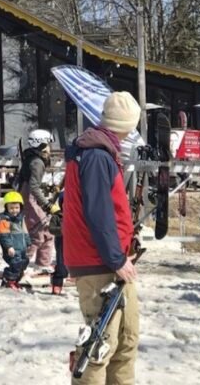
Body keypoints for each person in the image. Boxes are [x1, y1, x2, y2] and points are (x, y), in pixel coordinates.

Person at [64, 91, 141, 384]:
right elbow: (98, 213)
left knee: (126, 339)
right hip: (100, 262)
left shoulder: (103, 151)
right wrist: (115, 257)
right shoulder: (96, 155)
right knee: (98, 347)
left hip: (111, 260)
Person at [18, 129, 58, 273]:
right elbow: (33, 187)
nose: (50, 148)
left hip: (30, 197)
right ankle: (19, 263)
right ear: (41, 145)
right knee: (38, 233)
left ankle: (42, 264)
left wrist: (47, 188)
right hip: (30, 200)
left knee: (48, 232)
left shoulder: (32, 159)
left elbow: (30, 182)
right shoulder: (37, 162)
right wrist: (47, 205)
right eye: (48, 144)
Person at [0, 191, 30, 290]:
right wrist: (9, 247)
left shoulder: (20, 218)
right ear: (6, 207)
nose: (14, 210)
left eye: (17, 208)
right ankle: (9, 280)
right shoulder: (5, 220)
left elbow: (25, 231)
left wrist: (28, 242)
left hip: (22, 248)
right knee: (15, 264)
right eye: (11, 208)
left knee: (24, 263)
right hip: (12, 249)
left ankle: (15, 281)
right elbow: (4, 235)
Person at [49, 190, 68, 296]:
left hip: (75, 244)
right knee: (61, 265)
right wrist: (61, 230)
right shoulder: (57, 216)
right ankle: (57, 283)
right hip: (61, 243)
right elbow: (51, 229)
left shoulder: (77, 215)